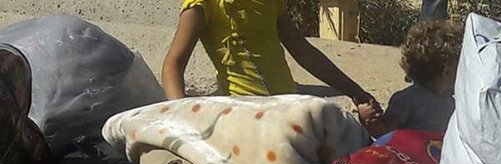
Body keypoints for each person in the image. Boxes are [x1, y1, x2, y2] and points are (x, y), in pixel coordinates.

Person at [162, 0, 380, 118]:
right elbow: (173, 65)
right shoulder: (203, 4)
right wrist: (183, 117)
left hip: (290, 107)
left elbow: (304, 52)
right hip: (246, 113)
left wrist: (355, 92)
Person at [364, 20, 462, 138]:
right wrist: (371, 123)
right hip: (411, 154)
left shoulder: (450, 102)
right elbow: (385, 134)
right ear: (446, 70)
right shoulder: (408, 100)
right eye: (462, 66)